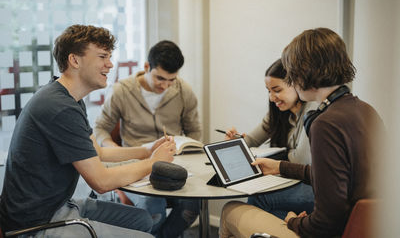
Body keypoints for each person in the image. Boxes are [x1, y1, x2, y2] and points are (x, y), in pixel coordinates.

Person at [0, 24, 177, 237]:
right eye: (103, 57)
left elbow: (99, 153)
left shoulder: (70, 99)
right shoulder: (59, 108)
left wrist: (147, 150)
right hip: (38, 222)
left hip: (60, 205)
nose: (110, 64)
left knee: (142, 219)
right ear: (75, 60)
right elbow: (101, 182)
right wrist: (155, 163)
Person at [219, 27, 384, 238]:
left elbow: (326, 222)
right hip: (367, 228)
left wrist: (295, 222)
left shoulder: (325, 123)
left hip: (333, 232)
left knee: (230, 210)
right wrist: (281, 167)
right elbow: (337, 179)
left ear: (304, 72)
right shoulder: (365, 110)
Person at [93, 40, 201, 238]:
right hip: (135, 164)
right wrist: (112, 149)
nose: (165, 85)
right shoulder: (122, 91)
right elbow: (101, 129)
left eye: (171, 80)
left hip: (173, 163)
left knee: (193, 205)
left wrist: (186, 148)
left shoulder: (184, 91)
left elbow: (194, 132)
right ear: (146, 67)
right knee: (153, 206)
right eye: (160, 78)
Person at [225, 59, 316, 219]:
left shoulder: (312, 110)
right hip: (293, 179)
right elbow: (251, 140)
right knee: (273, 214)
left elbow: (303, 159)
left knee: (259, 198)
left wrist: (277, 160)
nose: (272, 97)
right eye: (268, 91)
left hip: (315, 186)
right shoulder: (279, 112)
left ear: (296, 84)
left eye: (277, 90)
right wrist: (234, 141)